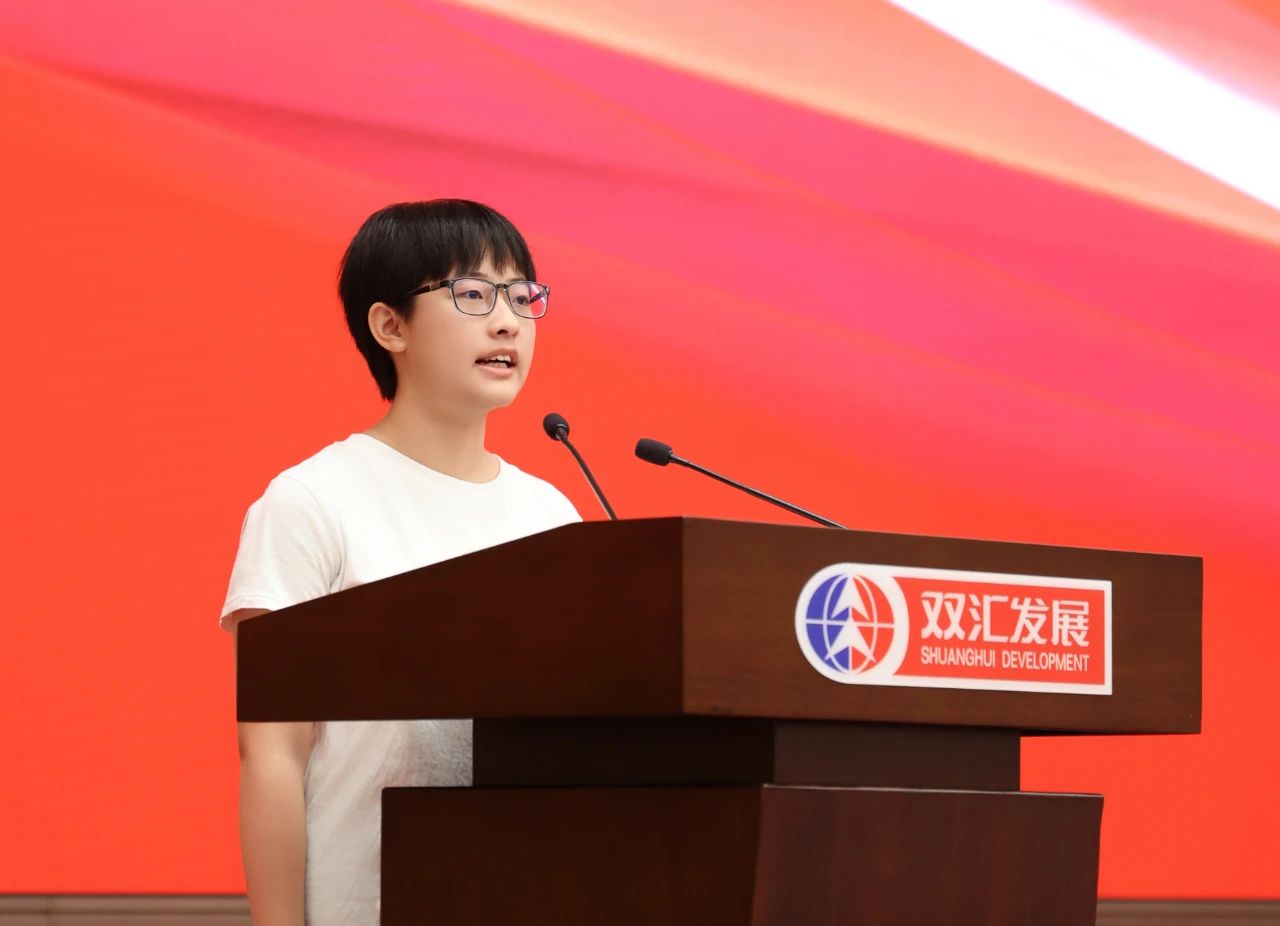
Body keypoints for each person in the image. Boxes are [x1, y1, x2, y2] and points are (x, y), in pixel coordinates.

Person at [220, 199, 581, 926]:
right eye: (472, 294)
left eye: (522, 296)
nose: (508, 322)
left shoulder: (553, 517)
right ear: (390, 326)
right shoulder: (313, 501)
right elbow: (273, 759)